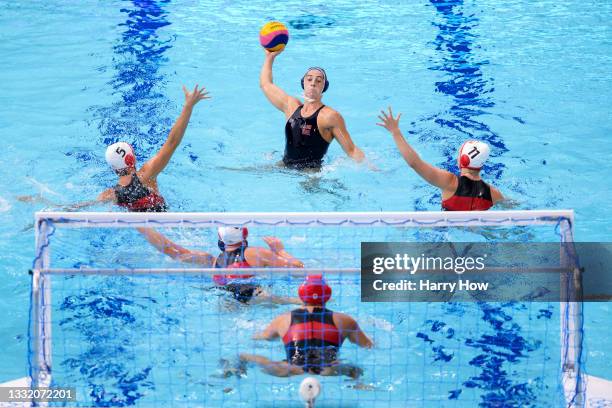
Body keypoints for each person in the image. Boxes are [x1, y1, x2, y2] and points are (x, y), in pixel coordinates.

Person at [19, 85, 210, 212]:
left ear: (113, 167)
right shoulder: (147, 175)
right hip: (167, 227)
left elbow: (74, 208)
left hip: (146, 235)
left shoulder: (111, 194)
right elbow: (172, 142)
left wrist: (40, 202)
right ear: (131, 159)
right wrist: (188, 106)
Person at [240, 275, 373, 378]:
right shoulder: (345, 320)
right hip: (328, 369)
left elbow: (265, 337)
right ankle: (360, 385)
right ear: (327, 295)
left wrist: (251, 332)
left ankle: (231, 373)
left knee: (243, 356)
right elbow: (368, 346)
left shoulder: (283, 319)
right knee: (356, 370)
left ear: (301, 294)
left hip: (292, 368)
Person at [377, 107, 504, 210]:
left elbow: (414, 163)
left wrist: (396, 132)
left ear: (462, 160)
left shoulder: (450, 183)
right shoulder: (494, 194)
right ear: (481, 165)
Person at [260, 49, 366, 170]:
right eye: (309, 79)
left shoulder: (329, 116)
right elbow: (266, 84)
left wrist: (374, 169)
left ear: (324, 87)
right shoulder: (291, 106)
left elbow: (351, 150)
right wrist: (269, 58)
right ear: (303, 83)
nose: (313, 83)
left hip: (311, 174)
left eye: (319, 80)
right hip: (284, 165)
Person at [140, 226, 303, 304]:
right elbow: (298, 270)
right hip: (255, 294)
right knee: (302, 303)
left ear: (221, 241)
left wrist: (139, 224)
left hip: (223, 299)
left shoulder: (210, 261)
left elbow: (171, 250)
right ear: (244, 238)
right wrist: (280, 251)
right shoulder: (254, 253)